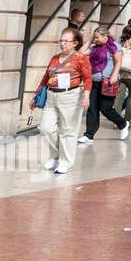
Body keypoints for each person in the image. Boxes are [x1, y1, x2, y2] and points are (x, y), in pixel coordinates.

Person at [34, 27, 93, 173]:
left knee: (68, 130)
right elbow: (45, 78)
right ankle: (55, 155)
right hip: (51, 95)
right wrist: (36, 95)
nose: (62, 43)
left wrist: (86, 96)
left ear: (75, 43)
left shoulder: (80, 58)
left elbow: (87, 78)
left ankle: (65, 161)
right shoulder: (54, 58)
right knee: (45, 128)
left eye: (66, 41)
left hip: (71, 95)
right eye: (61, 40)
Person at [79, 26, 127, 144]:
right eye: (94, 37)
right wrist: (90, 40)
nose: (96, 40)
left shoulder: (114, 46)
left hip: (108, 82)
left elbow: (118, 62)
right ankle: (89, 134)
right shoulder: (94, 47)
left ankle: (123, 123)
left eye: (97, 37)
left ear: (105, 36)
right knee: (92, 108)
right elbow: (80, 54)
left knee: (105, 108)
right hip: (94, 81)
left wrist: (114, 75)